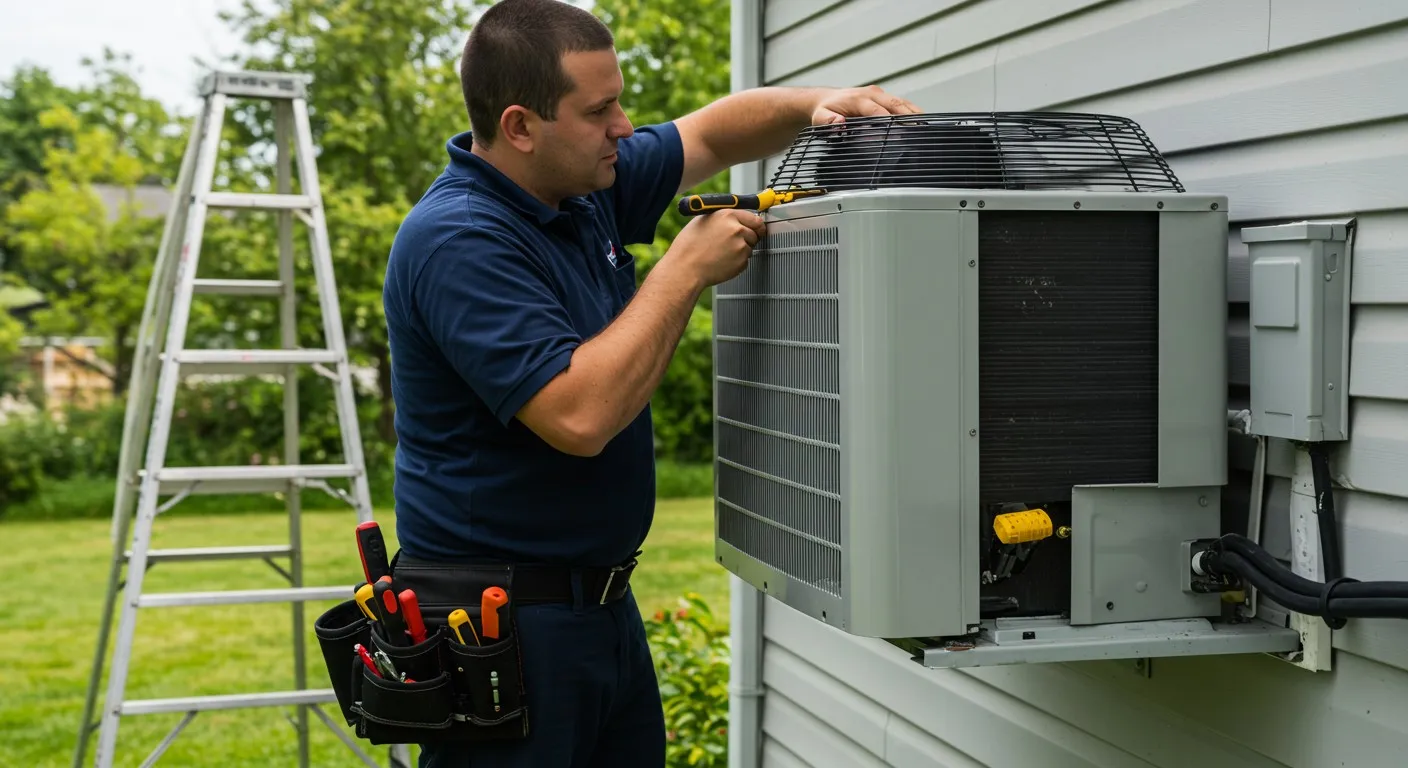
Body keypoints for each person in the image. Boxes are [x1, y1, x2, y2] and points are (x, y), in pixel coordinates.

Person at [380, 0, 919, 765]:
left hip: (597, 611)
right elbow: (579, 414)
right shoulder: (459, 239)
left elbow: (709, 132)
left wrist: (818, 107)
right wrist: (682, 271)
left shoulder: (577, 186)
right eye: (600, 110)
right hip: (503, 628)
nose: (625, 126)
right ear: (521, 126)